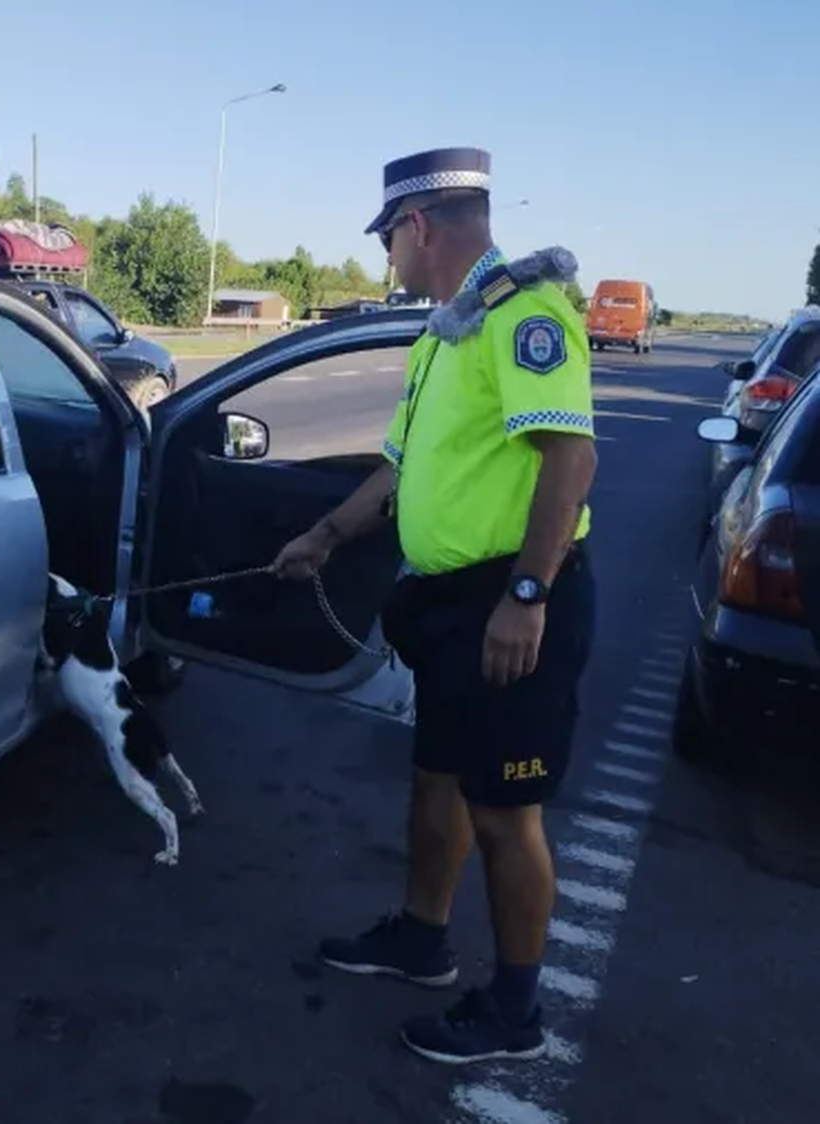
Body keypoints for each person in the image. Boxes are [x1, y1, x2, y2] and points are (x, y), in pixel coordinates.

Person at [270, 146, 598, 1064]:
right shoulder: (445, 334)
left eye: (386, 240)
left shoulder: (525, 317)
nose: (386, 260)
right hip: (454, 607)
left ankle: (515, 1014)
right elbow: (402, 467)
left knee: (505, 814)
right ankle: (421, 937)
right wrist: (327, 535)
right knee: (440, 780)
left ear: (416, 226)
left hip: (515, 603)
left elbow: (570, 461)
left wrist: (527, 596)